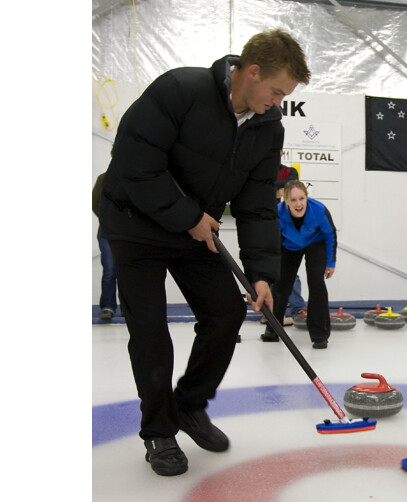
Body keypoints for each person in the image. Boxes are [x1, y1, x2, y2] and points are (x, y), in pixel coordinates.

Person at [97, 29, 311, 476]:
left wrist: (261, 275)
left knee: (225, 312)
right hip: (133, 224)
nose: (278, 101)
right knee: (152, 332)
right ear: (251, 72)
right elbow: (134, 163)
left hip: (192, 231)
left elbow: (256, 205)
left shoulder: (268, 127)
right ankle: (158, 431)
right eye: (276, 91)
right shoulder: (181, 90)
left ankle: (189, 405)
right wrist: (187, 215)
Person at [261, 180, 337, 349]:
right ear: (286, 201)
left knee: (316, 282)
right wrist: (270, 268)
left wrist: (331, 262)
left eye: (301, 198)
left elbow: (330, 235)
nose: (298, 204)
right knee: (281, 285)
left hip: (315, 243)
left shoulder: (318, 210)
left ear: (306, 198)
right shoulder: (278, 213)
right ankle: (273, 329)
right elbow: (272, 242)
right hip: (289, 245)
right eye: (293, 200)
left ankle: (319, 335)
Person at [262, 157, 306, 326]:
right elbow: (261, 190)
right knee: (269, 270)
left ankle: (298, 309)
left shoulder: (290, 171)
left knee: (289, 269)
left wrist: (273, 187)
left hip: (287, 227)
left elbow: (291, 184)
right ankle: (271, 312)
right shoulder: (260, 173)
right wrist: (276, 188)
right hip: (266, 225)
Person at [92, 172, 119, 320]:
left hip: (129, 232)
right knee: (110, 270)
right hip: (107, 230)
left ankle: (130, 308)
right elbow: (95, 202)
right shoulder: (103, 178)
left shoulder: (132, 176)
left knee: (128, 271)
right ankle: (108, 306)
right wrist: (107, 219)